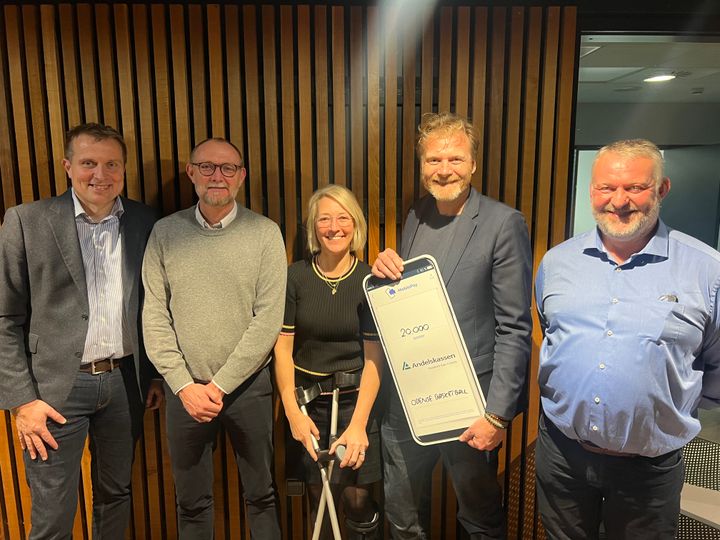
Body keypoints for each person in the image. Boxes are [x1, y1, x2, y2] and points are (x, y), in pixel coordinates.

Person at [534, 139, 720, 539]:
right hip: (562, 454)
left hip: (648, 468)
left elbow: (717, 366)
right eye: (606, 188)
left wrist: (661, 405)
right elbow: (550, 332)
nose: (618, 201)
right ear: (591, 191)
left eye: (634, 187)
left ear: (661, 188)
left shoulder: (707, 271)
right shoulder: (556, 262)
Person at [371, 112, 532, 539]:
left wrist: (497, 415)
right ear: (421, 166)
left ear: (474, 164)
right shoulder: (416, 215)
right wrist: (386, 268)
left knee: (478, 519)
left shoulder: (503, 223)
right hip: (409, 401)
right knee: (402, 514)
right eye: (433, 160)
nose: (444, 170)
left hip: (472, 403)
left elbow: (515, 328)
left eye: (456, 159)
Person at [0, 123, 163, 538]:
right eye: (89, 163)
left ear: (123, 170)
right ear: (68, 166)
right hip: (54, 391)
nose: (100, 175)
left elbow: (158, 305)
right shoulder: (27, 221)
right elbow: (4, 318)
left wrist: (156, 374)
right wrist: (23, 401)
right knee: (53, 509)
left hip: (126, 382)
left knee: (116, 494)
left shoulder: (146, 222)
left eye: (112, 165)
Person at [141, 137, 286, 539]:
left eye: (227, 168)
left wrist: (220, 386)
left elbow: (268, 319)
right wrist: (184, 385)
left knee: (262, 495)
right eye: (207, 167)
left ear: (241, 176)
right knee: (191, 502)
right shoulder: (165, 233)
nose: (217, 176)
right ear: (191, 172)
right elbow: (154, 315)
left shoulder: (265, 234)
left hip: (249, 389)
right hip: (183, 391)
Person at [274, 184, 384, 539]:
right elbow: (282, 350)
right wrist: (291, 413)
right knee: (319, 497)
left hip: (358, 402)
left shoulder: (370, 280)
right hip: (308, 405)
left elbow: (373, 359)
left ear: (355, 225)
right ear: (313, 226)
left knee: (357, 499)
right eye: (324, 219)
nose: (334, 227)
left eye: (343, 218)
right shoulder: (295, 277)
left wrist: (359, 425)